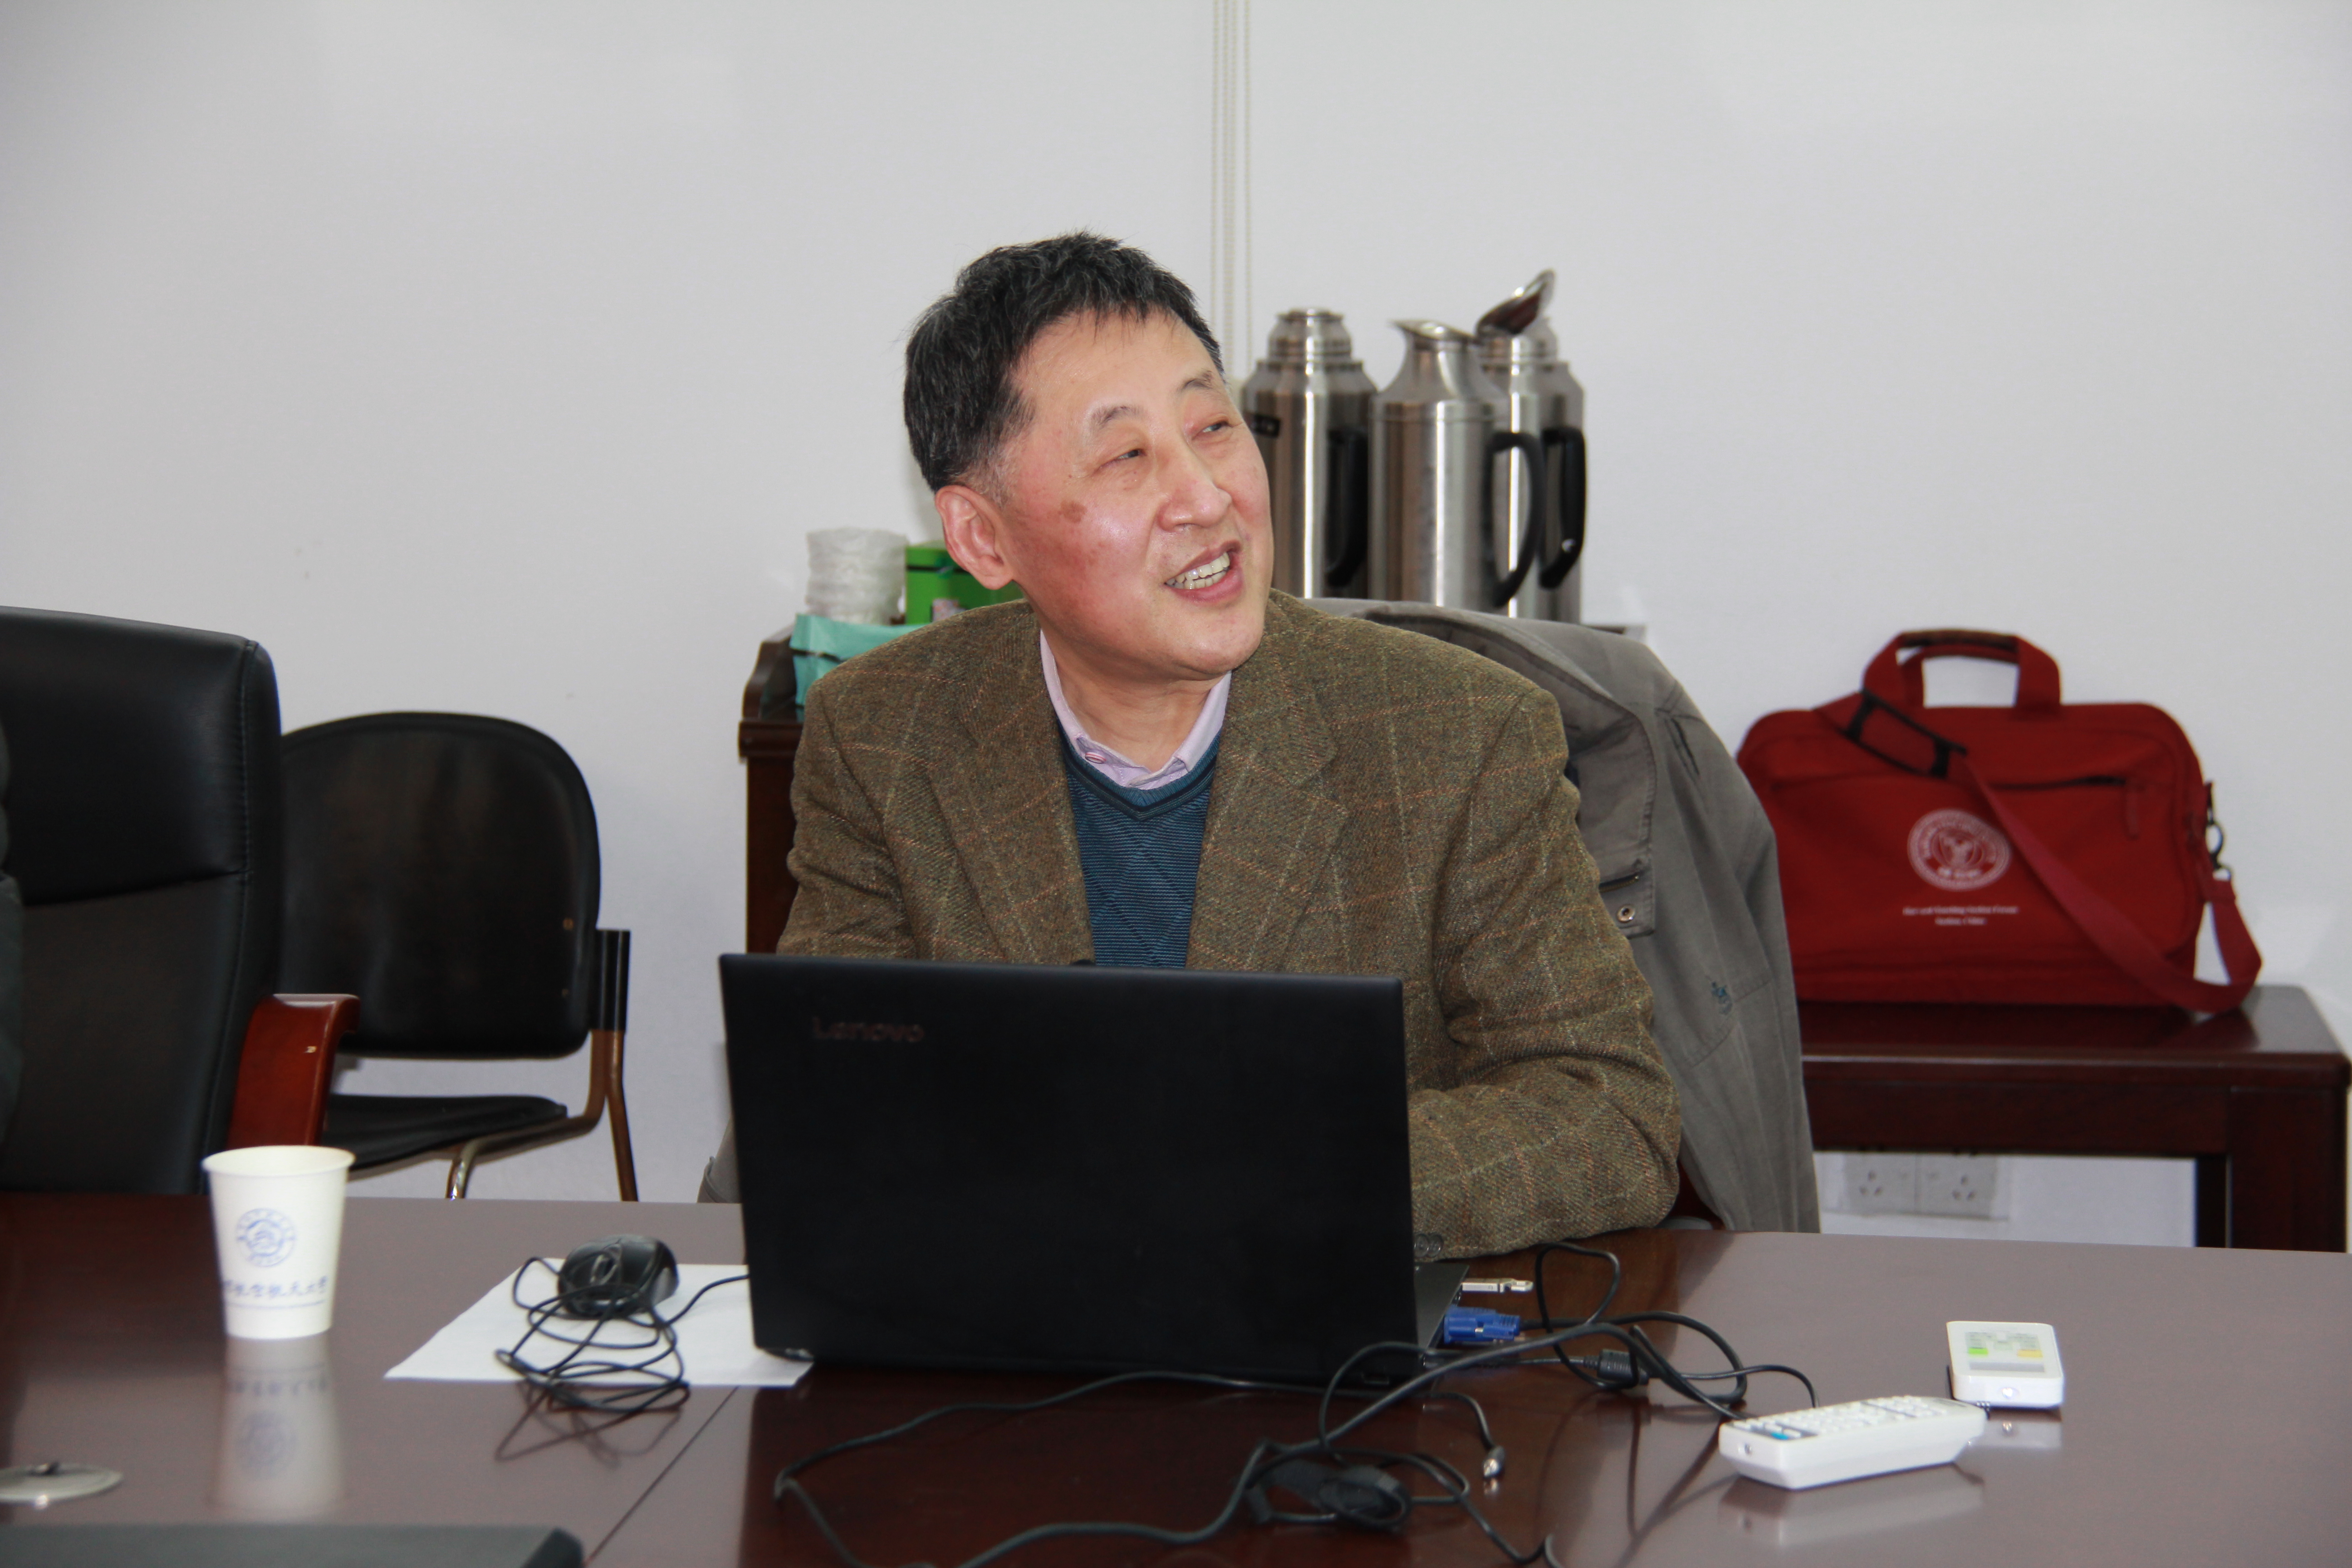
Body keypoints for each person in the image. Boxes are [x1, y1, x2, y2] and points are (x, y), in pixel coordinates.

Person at [704, 233, 1678, 1257]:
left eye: (1214, 427)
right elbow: (835, 1099)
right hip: (1016, 1315)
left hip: (1325, 1320)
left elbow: (1609, 1113)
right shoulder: (886, 734)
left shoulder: (1454, 733)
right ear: (984, 539)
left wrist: (1271, 1172)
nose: (1209, 498)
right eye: (1127, 456)